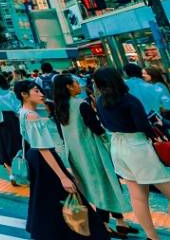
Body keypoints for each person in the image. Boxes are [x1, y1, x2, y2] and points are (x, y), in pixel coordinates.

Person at [16, 80, 105, 240]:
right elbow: (43, 147)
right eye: (36, 91)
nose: (41, 94)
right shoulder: (32, 115)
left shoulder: (22, 111)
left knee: (45, 198)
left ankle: (49, 231)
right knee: (66, 194)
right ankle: (85, 233)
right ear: (24, 94)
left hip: (35, 158)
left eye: (41, 91)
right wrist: (63, 176)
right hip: (44, 159)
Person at [54, 74, 136, 238]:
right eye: (76, 83)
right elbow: (96, 128)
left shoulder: (60, 108)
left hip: (76, 154)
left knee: (101, 185)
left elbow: (62, 135)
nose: (79, 85)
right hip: (93, 151)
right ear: (69, 87)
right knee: (104, 185)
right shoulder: (81, 105)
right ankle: (103, 224)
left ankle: (120, 223)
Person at [95, 67, 170, 240]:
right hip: (138, 146)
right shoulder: (129, 100)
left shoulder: (100, 101)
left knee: (138, 196)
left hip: (118, 146)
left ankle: (152, 236)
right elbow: (143, 127)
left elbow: (105, 124)